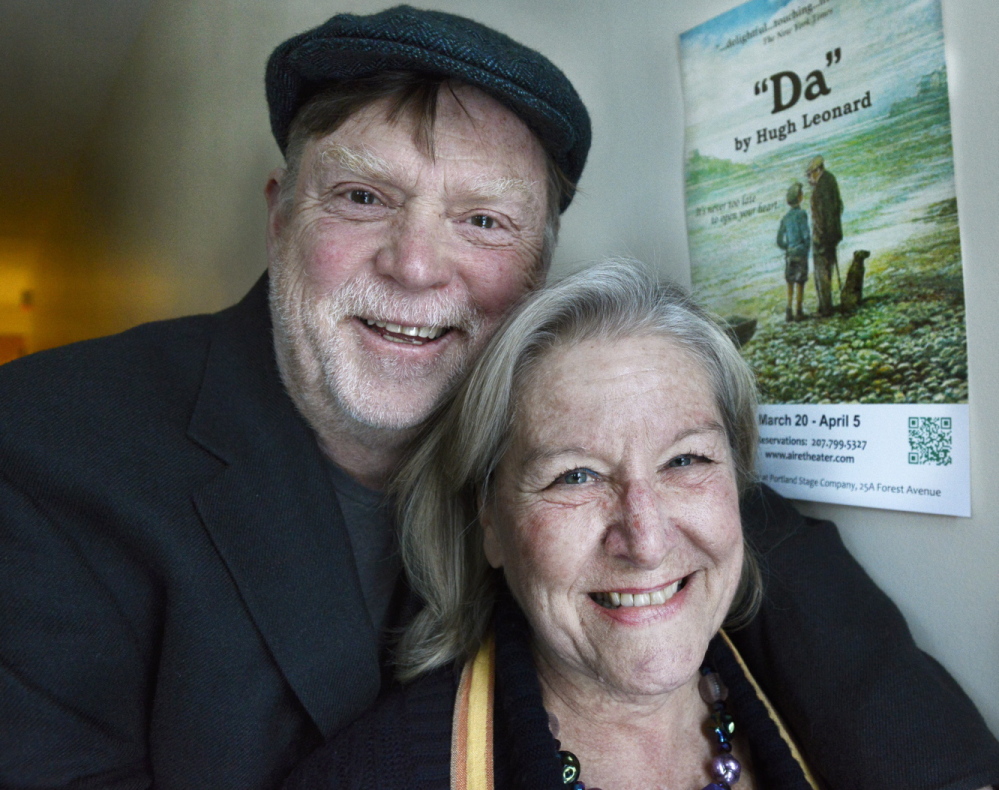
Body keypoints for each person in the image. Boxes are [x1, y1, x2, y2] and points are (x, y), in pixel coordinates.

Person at [0, 7, 995, 789]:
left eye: (483, 220)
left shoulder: (558, 417)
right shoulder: (48, 448)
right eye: (362, 198)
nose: (417, 264)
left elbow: (739, 543)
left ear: (537, 272)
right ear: (280, 216)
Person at [284, 261, 999, 789]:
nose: (647, 539)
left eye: (685, 460)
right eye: (575, 476)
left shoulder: (839, 701)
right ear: (491, 524)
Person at [806, 155, 844, 317]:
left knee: (822, 272)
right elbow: (839, 206)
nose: (809, 179)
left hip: (823, 237)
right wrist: (834, 229)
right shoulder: (831, 179)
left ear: (817, 170)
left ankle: (825, 308)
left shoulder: (819, 190)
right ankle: (827, 306)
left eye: (810, 174)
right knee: (828, 269)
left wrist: (821, 236)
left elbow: (821, 217)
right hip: (834, 233)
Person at [776, 181, 810, 321]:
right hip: (800, 253)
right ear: (800, 197)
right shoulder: (802, 214)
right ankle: (799, 311)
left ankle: (789, 310)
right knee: (800, 281)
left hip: (790, 254)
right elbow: (806, 235)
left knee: (790, 281)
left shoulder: (785, 218)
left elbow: (779, 240)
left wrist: (788, 247)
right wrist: (806, 248)